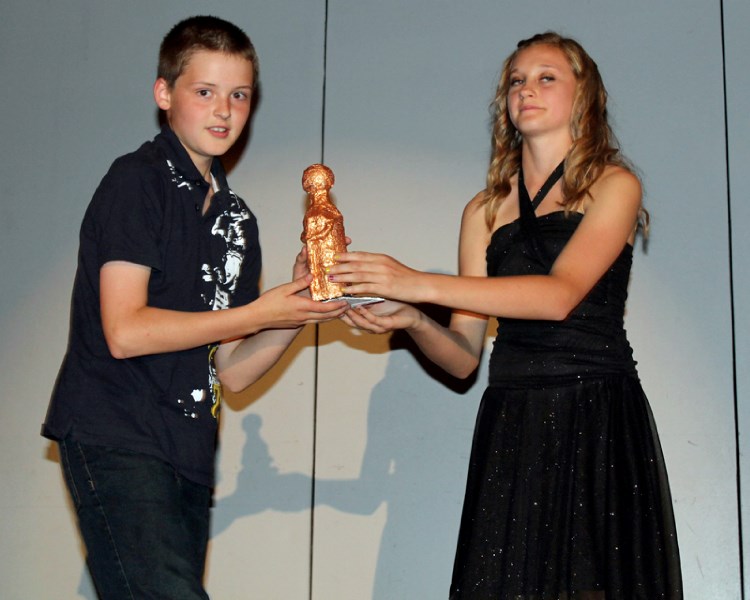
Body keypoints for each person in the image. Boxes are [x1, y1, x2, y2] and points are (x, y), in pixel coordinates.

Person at [330, 32, 683, 598]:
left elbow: (558, 295)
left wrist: (415, 281)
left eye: (546, 78)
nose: (527, 90)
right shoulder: (484, 209)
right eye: (517, 81)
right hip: (515, 420)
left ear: (583, 95)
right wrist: (416, 319)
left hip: (595, 413)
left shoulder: (613, 186)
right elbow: (464, 355)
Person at [42, 15, 346, 599]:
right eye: (204, 92)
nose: (224, 111)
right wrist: (258, 312)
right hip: (115, 430)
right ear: (164, 94)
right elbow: (125, 331)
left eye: (239, 96)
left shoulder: (239, 220)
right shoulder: (137, 181)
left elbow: (230, 369)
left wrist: (294, 311)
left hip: (189, 452)